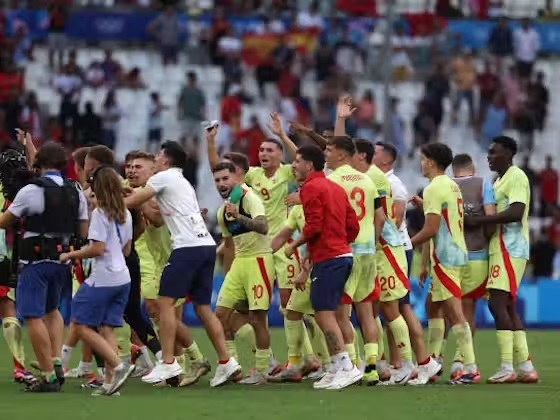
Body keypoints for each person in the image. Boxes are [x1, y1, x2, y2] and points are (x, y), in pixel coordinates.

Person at [124, 141, 240, 387]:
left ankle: (168, 362)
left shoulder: (163, 177)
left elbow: (132, 202)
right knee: (202, 308)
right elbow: (155, 214)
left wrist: (105, 199)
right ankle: (226, 361)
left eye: (158, 155)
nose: (155, 158)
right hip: (205, 245)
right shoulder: (182, 181)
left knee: (164, 304)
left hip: (186, 248)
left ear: (166, 160)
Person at [0, 142, 89, 392]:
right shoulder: (75, 190)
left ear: (40, 163)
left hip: (35, 260)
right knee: (52, 310)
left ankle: (48, 374)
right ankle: (56, 361)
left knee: (32, 315)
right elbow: (83, 230)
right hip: (63, 259)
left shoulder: (31, 190)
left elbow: (5, 222)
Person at [354, 140, 440, 386]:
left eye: (376, 151)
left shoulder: (383, 180)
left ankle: (414, 363)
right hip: (381, 251)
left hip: (390, 250)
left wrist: (371, 241)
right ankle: (390, 362)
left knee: (395, 309)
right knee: (380, 308)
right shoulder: (372, 177)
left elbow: (392, 218)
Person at [127, 152, 210, 387]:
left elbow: (157, 219)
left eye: (138, 167)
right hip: (158, 260)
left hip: (175, 257)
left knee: (163, 312)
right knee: (161, 313)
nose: (132, 170)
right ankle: (178, 367)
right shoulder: (138, 189)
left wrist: (128, 200)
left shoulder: (159, 190)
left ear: (152, 171)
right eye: (129, 166)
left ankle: (193, 359)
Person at [287, 144, 361, 390]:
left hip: (329, 258)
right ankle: (337, 367)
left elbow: (314, 226)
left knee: (323, 314)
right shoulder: (335, 187)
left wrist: (294, 245)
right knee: (333, 313)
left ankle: (346, 367)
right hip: (341, 255)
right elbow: (353, 226)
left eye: (298, 161)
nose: (293, 165)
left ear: (309, 165)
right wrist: (338, 243)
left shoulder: (310, 188)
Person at [468, 136, 539, 384]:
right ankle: (526, 367)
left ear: (508, 153)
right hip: (500, 247)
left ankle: (507, 367)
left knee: (497, 303)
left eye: (494, 152)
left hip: (511, 246)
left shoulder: (516, 176)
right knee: (506, 305)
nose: (489, 156)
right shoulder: (497, 181)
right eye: (488, 152)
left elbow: (517, 211)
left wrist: (480, 220)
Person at [85, 145, 162, 368]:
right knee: (131, 314)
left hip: (112, 262)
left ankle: (106, 370)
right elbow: (140, 227)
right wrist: (125, 245)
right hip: (130, 258)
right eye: (129, 166)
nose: (131, 171)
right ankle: (156, 359)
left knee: (91, 317)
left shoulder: (107, 192)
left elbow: (149, 223)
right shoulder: (124, 190)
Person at [60, 166, 135, 396]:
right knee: (106, 328)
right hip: (123, 278)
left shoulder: (100, 214)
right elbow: (126, 250)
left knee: (80, 325)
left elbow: (97, 248)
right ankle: (110, 383)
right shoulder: (126, 213)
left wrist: (70, 255)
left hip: (102, 278)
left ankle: (118, 365)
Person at [410, 142, 480, 385]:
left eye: (423, 159)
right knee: (433, 305)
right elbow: (444, 218)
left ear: (431, 162)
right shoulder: (450, 185)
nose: (421, 163)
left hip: (445, 256)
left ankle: (470, 367)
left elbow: (431, 228)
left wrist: (407, 243)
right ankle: (434, 360)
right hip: (455, 252)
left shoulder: (433, 188)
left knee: (454, 312)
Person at [322, 136, 383, 386]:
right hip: (368, 250)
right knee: (366, 311)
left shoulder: (332, 181)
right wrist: (373, 243)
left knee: (341, 314)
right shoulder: (367, 180)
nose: (325, 154)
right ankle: (372, 367)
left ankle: (352, 366)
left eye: (329, 150)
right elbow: (380, 217)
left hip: (345, 251)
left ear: (341, 155)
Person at [213, 161, 273, 384]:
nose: (221, 184)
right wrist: (228, 274)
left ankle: (263, 370)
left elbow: (263, 227)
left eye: (225, 179)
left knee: (257, 319)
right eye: (217, 180)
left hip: (259, 260)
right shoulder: (222, 211)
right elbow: (229, 246)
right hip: (239, 263)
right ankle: (232, 366)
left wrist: (238, 216)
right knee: (220, 315)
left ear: (236, 178)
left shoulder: (249, 198)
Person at [450, 153, 496, 380]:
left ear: (453, 170)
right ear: (473, 168)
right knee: (468, 309)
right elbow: (491, 218)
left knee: (449, 309)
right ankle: (461, 362)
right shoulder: (483, 183)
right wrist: (485, 238)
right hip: (477, 254)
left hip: (450, 256)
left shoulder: (444, 185)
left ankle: (436, 359)